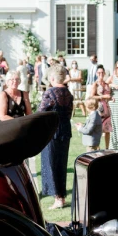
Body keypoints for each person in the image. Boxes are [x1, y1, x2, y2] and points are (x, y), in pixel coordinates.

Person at [38, 67, 74, 209]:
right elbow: (69, 113)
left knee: (51, 163)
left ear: (52, 79)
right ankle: (61, 197)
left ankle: (58, 198)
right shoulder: (69, 93)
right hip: (65, 131)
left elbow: (41, 112)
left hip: (52, 132)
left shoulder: (50, 93)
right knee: (61, 164)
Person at [87, 66, 112, 149]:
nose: (101, 74)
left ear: (104, 73)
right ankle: (97, 147)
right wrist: (103, 96)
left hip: (107, 109)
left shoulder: (106, 84)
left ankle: (107, 148)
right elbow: (91, 96)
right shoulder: (95, 84)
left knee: (107, 130)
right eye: (99, 73)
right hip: (99, 108)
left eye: (102, 72)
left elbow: (109, 95)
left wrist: (111, 97)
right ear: (96, 74)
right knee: (99, 130)